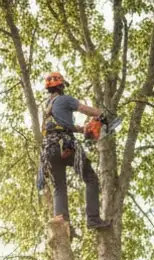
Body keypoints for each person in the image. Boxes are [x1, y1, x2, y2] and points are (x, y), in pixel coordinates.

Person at [37, 71, 112, 236]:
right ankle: (93, 219)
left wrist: (83, 129)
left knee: (59, 187)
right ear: (61, 86)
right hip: (65, 145)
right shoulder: (65, 99)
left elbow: (64, 126)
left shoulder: (48, 108)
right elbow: (84, 109)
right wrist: (103, 114)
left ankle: (64, 227)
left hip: (49, 150)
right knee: (91, 178)